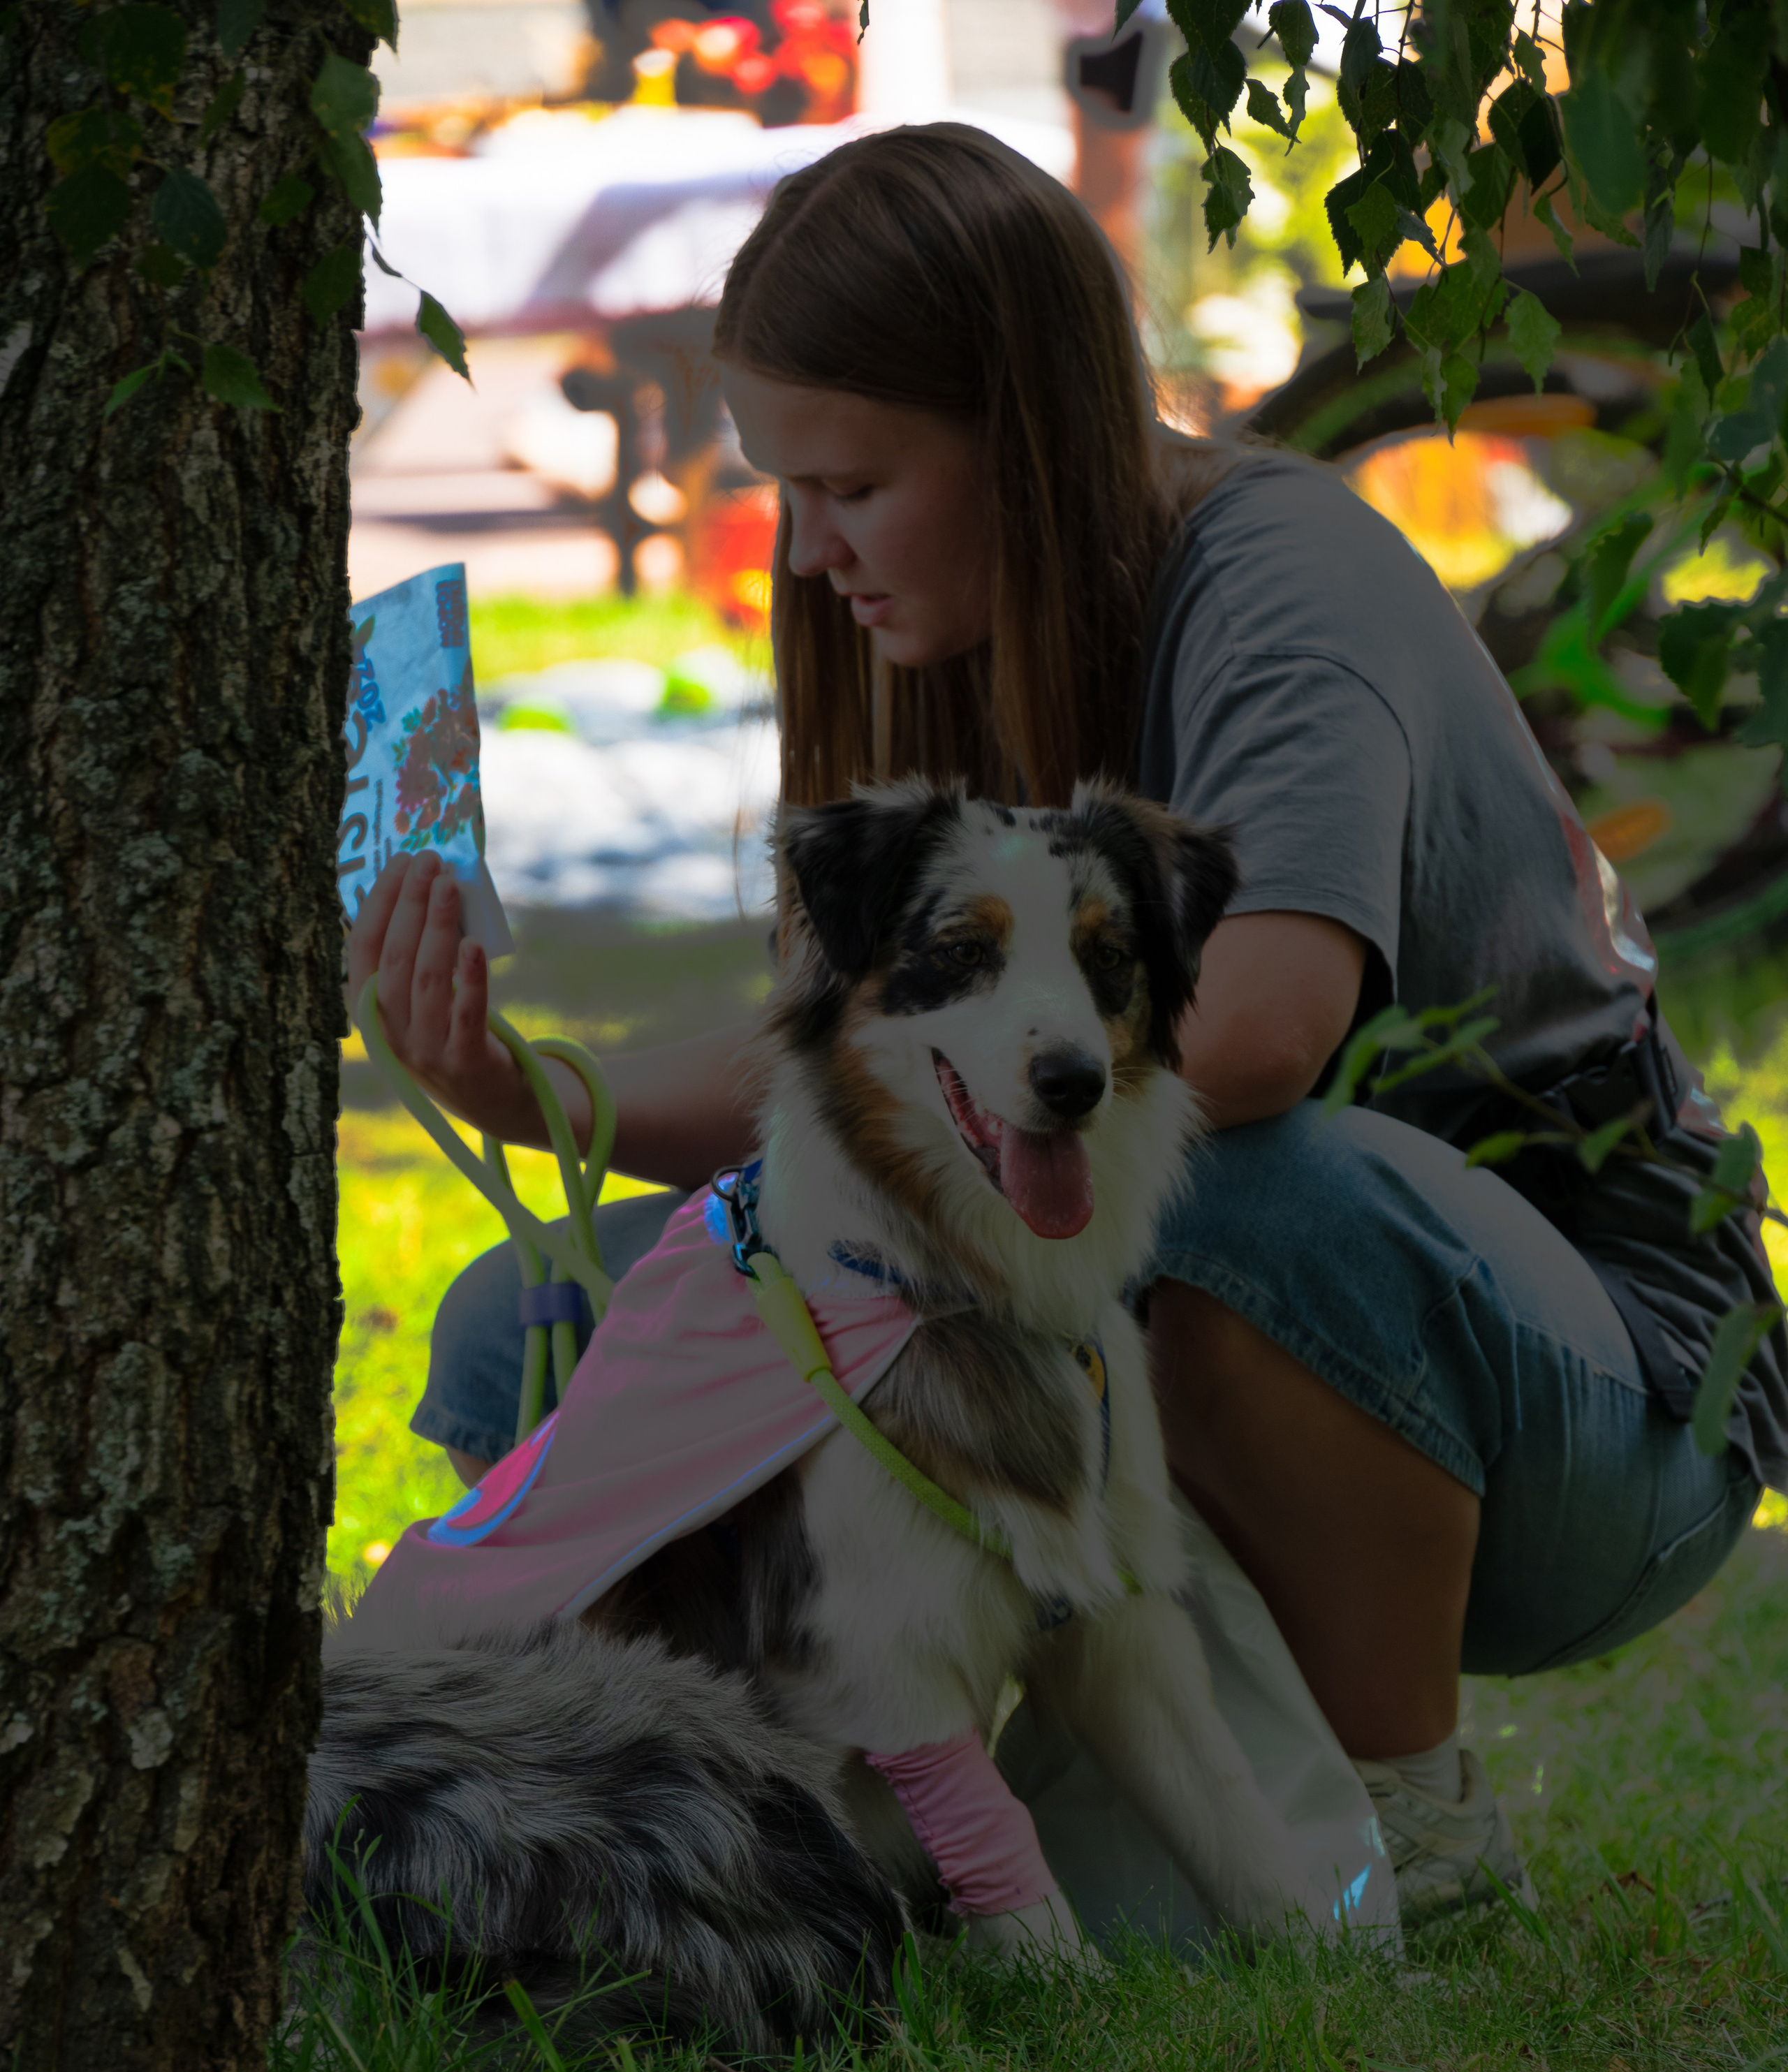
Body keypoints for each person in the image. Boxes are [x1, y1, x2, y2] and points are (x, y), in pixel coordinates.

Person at [347, 124, 1788, 1927]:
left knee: (1230, 1178)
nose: (807, 553)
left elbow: (1251, 1034)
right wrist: (516, 1083)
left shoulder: (1279, 577)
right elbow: (853, 1078)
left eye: (852, 488)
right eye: (786, 491)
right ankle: (756, 1804)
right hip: (1175, 1322)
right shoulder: (939, 658)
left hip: (1603, 1398)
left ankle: (1406, 1817)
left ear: (1017, 435)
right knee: (545, 1333)